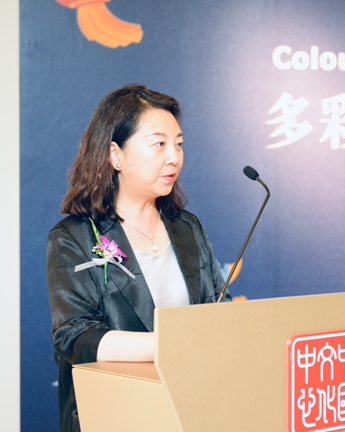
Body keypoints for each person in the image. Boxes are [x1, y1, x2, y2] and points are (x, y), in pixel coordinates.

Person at [46, 84, 231, 432]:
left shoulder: (186, 227)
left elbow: (219, 308)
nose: (174, 157)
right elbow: (75, 336)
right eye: (159, 144)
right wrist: (172, 344)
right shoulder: (74, 237)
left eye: (178, 144)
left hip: (190, 409)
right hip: (115, 414)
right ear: (115, 154)